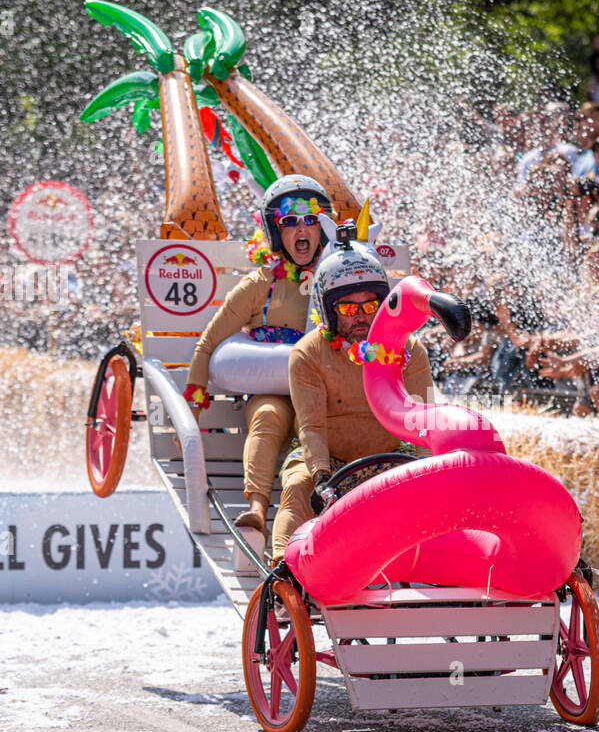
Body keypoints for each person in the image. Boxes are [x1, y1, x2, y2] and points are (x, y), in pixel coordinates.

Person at [183, 175, 331, 547]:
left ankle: (317, 519)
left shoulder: (333, 281)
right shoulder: (259, 284)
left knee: (313, 427)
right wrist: (191, 416)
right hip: (270, 389)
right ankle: (255, 507)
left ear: (324, 228)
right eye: (290, 221)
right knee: (267, 417)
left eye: (311, 220)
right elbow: (208, 345)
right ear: (274, 230)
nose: (302, 228)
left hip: (319, 393)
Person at [274, 231, 432, 563]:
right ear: (328, 310)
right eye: (347, 307)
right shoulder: (308, 354)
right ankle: (281, 574)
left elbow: (424, 420)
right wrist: (320, 476)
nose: (360, 316)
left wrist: (428, 471)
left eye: (370, 305)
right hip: (325, 462)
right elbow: (311, 428)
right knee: (297, 486)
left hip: (391, 455)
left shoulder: (410, 348)